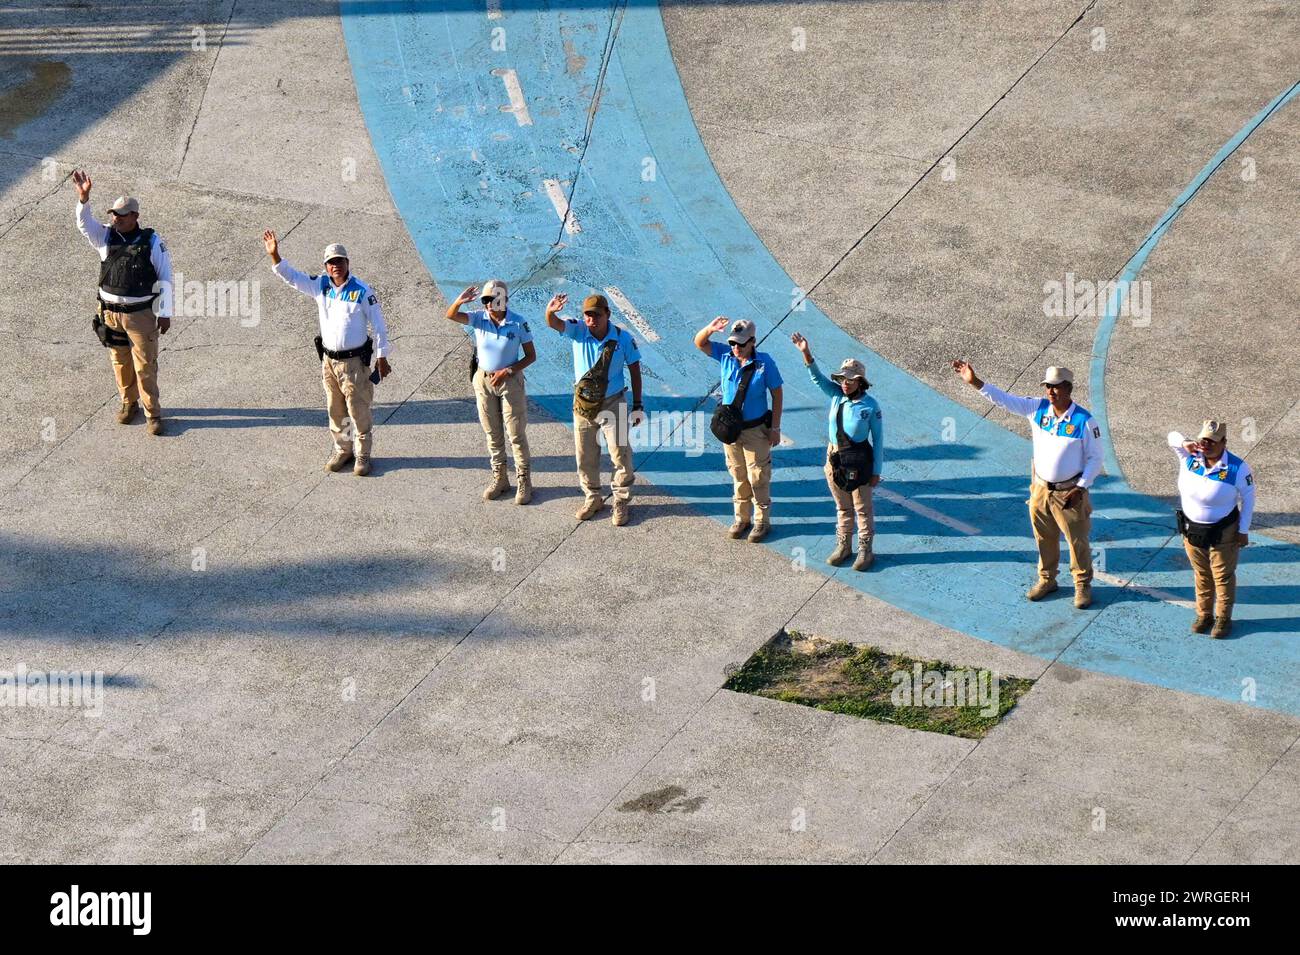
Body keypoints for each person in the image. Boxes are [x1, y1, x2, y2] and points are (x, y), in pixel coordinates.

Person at [952, 360, 1103, 608]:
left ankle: (1082, 584)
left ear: (1068, 388)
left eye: (1055, 387)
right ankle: (1047, 579)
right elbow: (1005, 399)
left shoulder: (1085, 421)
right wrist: (975, 382)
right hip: (1041, 490)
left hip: (1069, 493)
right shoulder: (1037, 408)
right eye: (1047, 387)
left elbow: (1096, 458)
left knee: (1077, 541)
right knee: (1043, 537)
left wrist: (1082, 486)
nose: (1050, 391)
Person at [262, 230, 392, 476]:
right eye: (331, 263)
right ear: (326, 266)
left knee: (358, 410)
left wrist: (382, 357)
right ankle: (343, 450)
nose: (336, 266)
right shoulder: (320, 285)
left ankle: (363, 455)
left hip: (355, 364)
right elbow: (292, 278)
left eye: (340, 261)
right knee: (336, 409)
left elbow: (379, 325)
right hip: (329, 361)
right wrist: (275, 256)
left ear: (347, 263)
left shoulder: (363, 291)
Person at [72, 170, 174, 435]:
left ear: (135, 217)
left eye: (121, 214)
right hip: (109, 314)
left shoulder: (152, 242)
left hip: (140, 315)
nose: (115, 218)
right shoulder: (104, 237)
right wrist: (84, 198)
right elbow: (83, 224)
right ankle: (129, 404)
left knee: (145, 366)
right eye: (113, 214)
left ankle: (153, 414)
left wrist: (165, 313)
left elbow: (166, 278)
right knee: (120, 361)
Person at [544, 292, 644, 526]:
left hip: (613, 403)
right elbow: (554, 323)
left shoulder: (623, 339)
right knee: (585, 454)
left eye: (596, 315)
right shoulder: (577, 330)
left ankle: (620, 500)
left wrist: (638, 404)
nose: (592, 320)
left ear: (607, 314)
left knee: (620, 453)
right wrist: (551, 311)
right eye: (588, 315)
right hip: (584, 405)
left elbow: (635, 369)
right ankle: (593, 497)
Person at [792, 332, 882, 570]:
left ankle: (866, 550)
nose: (845, 382)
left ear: (860, 382)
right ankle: (844, 546)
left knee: (862, 508)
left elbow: (879, 440)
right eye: (843, 378)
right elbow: (816, 378)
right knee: (842, 506)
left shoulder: (871, 406)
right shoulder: (835, 396)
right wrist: (805, 352)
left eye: (850, 380)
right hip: (834, 458)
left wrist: (876, 471)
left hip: (859, 461)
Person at [445, 280, 536, 503]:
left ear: (503, 300)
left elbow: (531, 356)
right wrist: (460, 300)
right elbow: (451, 315)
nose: (487, 304)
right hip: (484, 380)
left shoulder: (518, 323)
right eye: (485, 300)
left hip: (510, 381)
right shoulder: (478, 318)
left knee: (515, 433)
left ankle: (524, 480)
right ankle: (500, 477)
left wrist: (509, 370)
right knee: (492, 433)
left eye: (492, 300)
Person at [694, 317, 783, 541]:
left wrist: (775, 427)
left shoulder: (765, 363)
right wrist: (710, 329)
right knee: (738, 474)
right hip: (731, 430)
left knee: (758, 476)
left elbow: (777, 394)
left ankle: (762, 521)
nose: (735, 347)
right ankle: (742, 518)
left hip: (756, 430)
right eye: (733, 342)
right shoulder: (725, 355)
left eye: (741, 344)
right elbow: (699, 343)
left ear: (753, 342)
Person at [1168, 420, 1255, 638]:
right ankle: (1204, 614)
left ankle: (1223, 618)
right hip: (1192, 530)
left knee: (1222, 576)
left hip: (1223, 531)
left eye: (1212, 441)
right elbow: (1171, 436)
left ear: (1224, 442)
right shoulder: (1190, 457)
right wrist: (1186, 442)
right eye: (1203, 440)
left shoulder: (1238, 468)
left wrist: (1243, 530)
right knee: (1202, 573)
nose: (1206, 444)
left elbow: (1249, 499)